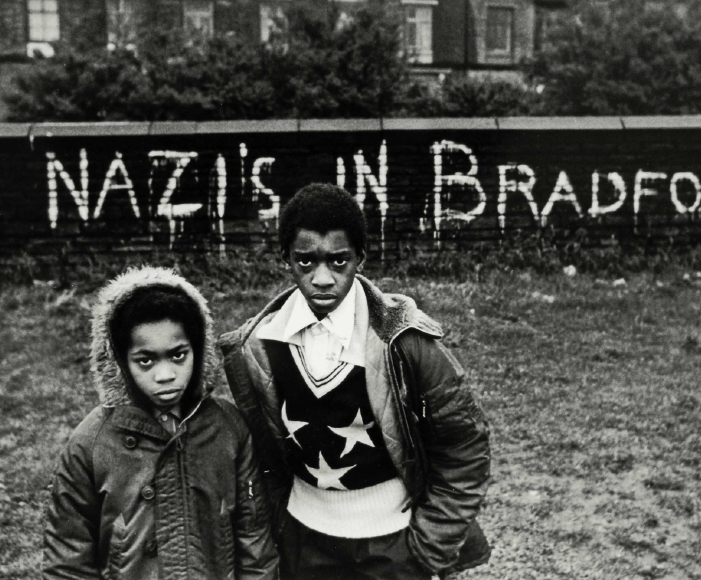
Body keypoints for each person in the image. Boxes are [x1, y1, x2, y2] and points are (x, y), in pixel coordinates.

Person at [219, 184, 492, 580]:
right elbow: (259, 459)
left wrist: (431, 544)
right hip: (302, 541)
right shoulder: (257, 347)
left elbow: (465, 443)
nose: (323, 278)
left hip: (393, 542)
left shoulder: (403, 341)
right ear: (286, 259)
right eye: (306, 261)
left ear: (361, 257)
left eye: (339, 260)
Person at [43, 266, 279, 580]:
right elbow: (68, 558)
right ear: (119, 359)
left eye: (178, 355)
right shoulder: (90, 443)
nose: (165, 375)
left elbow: (255, 545)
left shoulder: (229, 430)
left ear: (198, 349)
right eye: (146, 360)